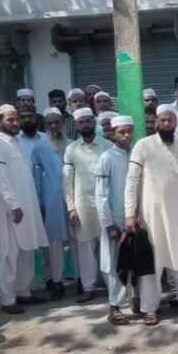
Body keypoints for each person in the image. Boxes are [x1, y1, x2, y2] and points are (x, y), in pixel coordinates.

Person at [125, 108, 178, 321]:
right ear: (156, 122)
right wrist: (130, 213)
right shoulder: (143, 145)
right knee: (151, 262)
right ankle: (150, 308)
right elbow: (132, 181)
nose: (166, 123)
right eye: (163, 120)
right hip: (151, 216)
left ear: (176, 123)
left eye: (170, 120)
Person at [0, 105, 50, 314]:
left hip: (27, 207)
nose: (15, 123)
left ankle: (24, 292)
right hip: (10, 211)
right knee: (9, 254)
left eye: (16, 119)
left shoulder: (15, 143)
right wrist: (14, 205)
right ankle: (8, 299)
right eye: (10, 119)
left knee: (27, 250)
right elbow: (0, 178)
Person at [63, 107, 112, 303]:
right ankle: (88, 287)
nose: (85, 125)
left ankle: (112, 286)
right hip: (82, 205)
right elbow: (67, 181)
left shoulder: (108, 146)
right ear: (76, 125)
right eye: (81, 122)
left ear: (94, 122)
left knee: (108, 247)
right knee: (85, 248)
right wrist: (71, 208)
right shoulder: (71, 149)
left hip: (105, 204)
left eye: (88, 121)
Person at [95, 115, 136, 325]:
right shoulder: (107, 158)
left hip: (134, 218)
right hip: (115, 219)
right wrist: (108, 224)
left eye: (129, 131)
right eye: (122, 132)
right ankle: (114, 307)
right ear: (113, 134)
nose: (126, 135)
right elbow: (100, 194)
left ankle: (135, 300)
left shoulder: (136, 154)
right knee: (115, 265)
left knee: (136, 261)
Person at [31, 108, 74, 300]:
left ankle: (81, 280)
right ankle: (57, 282)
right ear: (45, 126)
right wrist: (39, 202)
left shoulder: (73, 146)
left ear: (63, 123)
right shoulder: (39, 149)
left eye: (57, 122)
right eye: (50, 123)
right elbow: (36, 178)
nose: (54, 126)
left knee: (77, 239)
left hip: (73, 199)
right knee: (54, 242)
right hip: (51, 200)